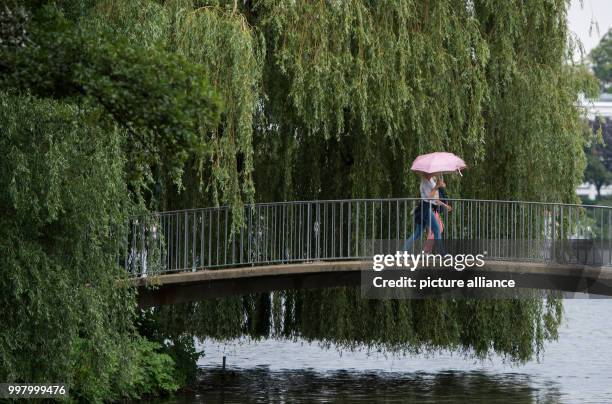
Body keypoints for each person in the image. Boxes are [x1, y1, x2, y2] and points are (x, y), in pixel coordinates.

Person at [403, 174, 451, 253]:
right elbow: (429, 197)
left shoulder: (431, 181)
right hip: (425, 208)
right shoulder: (424, 183)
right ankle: (442, 253)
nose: (434, 173)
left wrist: (445, 205)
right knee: (437, 229)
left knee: (417, 233)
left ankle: (402, 252)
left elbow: (435, 199)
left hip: (427, 208)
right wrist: (436, 186)